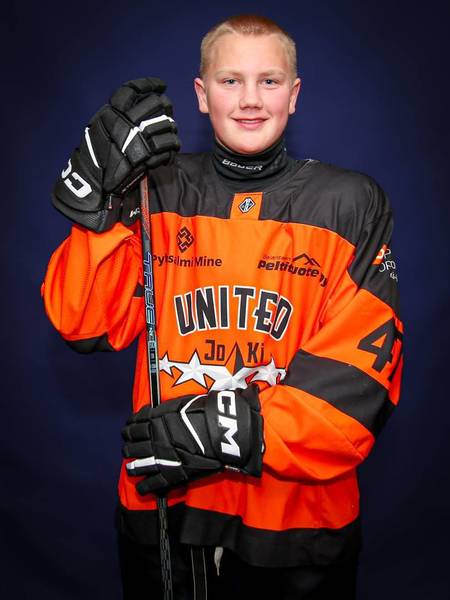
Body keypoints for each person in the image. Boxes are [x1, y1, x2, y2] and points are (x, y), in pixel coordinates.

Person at [42, 14, 404, 600]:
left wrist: (222, 430)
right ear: (201, 93)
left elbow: (360, 385)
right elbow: (82, 322)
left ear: (294, 94)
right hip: (167, 513)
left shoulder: (350, 203)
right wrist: (99, 207)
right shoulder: (154, 188)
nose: (250, 99)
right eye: (230, 80)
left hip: (296, 526)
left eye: (269, 81)